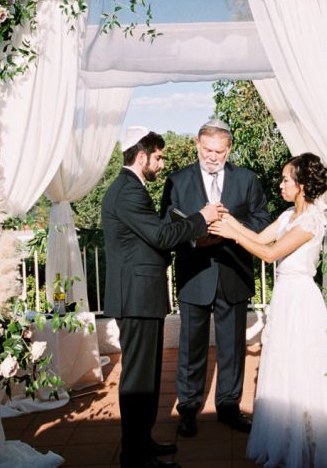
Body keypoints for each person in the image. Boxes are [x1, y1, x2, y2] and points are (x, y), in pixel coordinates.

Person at [208, 152, 327, 468]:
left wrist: (233, 235)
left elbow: (270, 253)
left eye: (286, 180)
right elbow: (260, 237)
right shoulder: (288, 215)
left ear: (302, 185)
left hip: (301, 298)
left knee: (302, 363)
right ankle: (288, 436)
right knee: (283, 362)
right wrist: (230, 221)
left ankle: (308, 438)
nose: (281, 185)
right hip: (285, 296)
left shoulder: (312, 220)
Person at [102, 126, 223, 468]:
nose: (161, 163)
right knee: (138, 383)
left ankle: (142, 442)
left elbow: (148, 238)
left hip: (141, 296)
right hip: (136, 297)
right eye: (158, 157)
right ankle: (135, 456)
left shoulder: (130, 188)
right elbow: (159, 236)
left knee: (146, 378)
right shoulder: (128, 191)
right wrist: (202, 218)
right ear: (141, 157)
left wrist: (187, 232)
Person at [160, 119, 271, 437]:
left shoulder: (247, 179)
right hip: (194, 274)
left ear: (229, 149)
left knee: (232, 347)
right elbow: (166, 226)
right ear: (197, 144)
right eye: (207, 150)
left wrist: (231, 227)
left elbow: (262, 220)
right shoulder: (177, 181)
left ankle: (229, 407)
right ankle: (188, 409)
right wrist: (195, 238)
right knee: (190, 347)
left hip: (234, 273)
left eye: (219, 152)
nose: (212, 156)